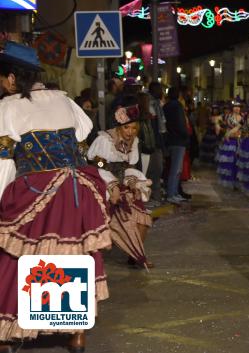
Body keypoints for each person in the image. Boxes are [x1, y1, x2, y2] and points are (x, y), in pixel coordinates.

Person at [0, 43, 110, 353]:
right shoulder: (65, 101)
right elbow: (81, 142)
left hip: (36, 190)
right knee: (72, 256)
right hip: (75, 187)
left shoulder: (7, 107)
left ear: (11, 79)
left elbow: (5, 163)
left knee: (16, 256)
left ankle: (10, 332)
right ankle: (76, 335)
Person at [87, 100, 154, 267]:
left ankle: (136, 254)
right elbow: (95, 164)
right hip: (101, 180)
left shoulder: (134, 142)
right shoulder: (105, 139)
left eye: (133, 128)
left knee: (142, 215)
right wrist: (110, 180)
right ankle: (93, 257)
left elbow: (128, 166)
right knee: (103, 218)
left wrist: (133, 182)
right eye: (126, 128)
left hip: (122, 182)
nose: (130, 132)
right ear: (119, 126)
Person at [163, 87, 190, 204]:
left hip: (170, 139)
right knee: (176, 169)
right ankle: (171, 194)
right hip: (178, 141)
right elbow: (180, 124)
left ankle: (174, 193)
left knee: (174, 168)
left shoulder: (166, 106)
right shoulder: (177, 107)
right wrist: (186, 135)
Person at [146, 82, 166, 205]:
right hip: (152, 144)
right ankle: (152, 197)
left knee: (156, 171)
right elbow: (155, 127)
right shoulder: (151, 105)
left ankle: (156, 197)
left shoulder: (157, 105)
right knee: (154, 170)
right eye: (160, 90)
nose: (162, 92)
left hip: (156, 143)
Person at [216, 102, 243, 188]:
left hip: (240, 141)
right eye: (235, 107)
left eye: (238, 107)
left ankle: (237, 181)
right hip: (230, 142)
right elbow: (218, 120)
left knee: (238, 162)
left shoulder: (243, 117)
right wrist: (218, 126)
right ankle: (230, 181)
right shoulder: (228, 117)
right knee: (230, 162)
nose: (237, 108)